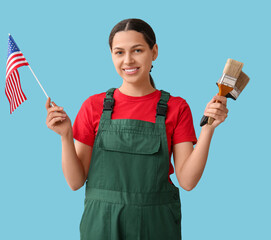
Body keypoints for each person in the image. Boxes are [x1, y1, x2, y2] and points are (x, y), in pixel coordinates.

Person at [45, 18, 228, 240]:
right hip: (101, 226)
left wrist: (208, 130)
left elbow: (188, 181)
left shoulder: (176, 107)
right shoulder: (93, 106)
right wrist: (66, 135)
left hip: (156, 225)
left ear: (154, 52)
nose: (128, 60)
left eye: (137, 50)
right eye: (119, 52)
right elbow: (75, 182)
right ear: (111, 55)